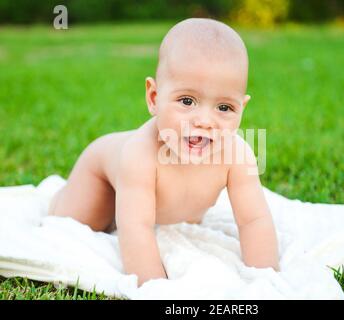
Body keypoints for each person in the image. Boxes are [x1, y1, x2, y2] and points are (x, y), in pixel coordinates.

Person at [48, 18, 280, 286]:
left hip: (159, 205)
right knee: (83, 222)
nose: (205, 121)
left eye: (224, 108)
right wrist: (155, 288)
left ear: (242, 107)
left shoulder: (237, 154)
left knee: (137, 212)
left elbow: (254, 220)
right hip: (101, 172)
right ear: (154, 98)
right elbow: (135, 229)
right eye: (187, 101)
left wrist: (267, 279)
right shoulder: (140, 154)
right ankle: (58, 197)